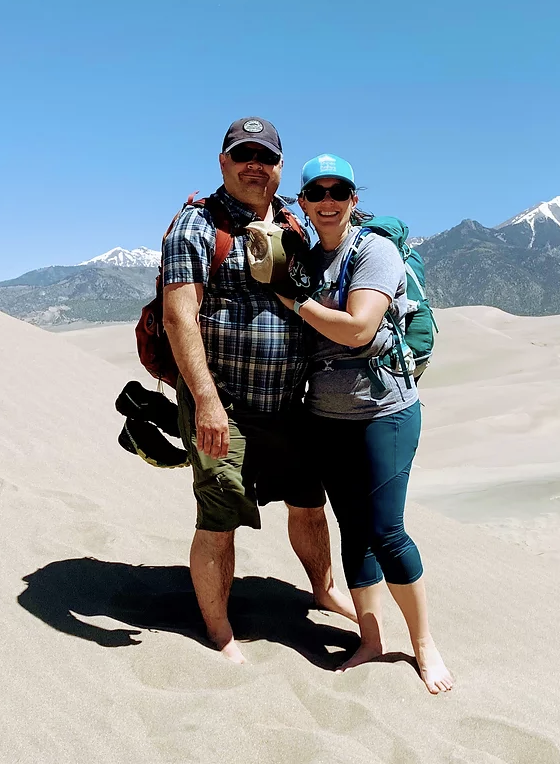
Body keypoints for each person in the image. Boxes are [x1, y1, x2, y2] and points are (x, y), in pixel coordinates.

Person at [161, 120, 355, 664]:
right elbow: (179, 318)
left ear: (280, 167)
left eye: (265, 157)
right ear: (223, 161)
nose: (255, 165)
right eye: (243, 154)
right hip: (223, 403)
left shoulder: (295, 222)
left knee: (309, 505)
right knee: (220, 517)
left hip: (292, 404)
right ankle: (220, 629)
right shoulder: (196, 225)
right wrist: (205, 402)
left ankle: (324, 589)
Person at [275, 154, 453, 694]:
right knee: (353, 532)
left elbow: (358, 328)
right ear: (303, 203)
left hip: (384, 413)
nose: (327, 201)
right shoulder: (306, 259)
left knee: (387, 531)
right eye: (317, 193)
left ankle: (424, 644)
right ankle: (371, 640)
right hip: (326, 418)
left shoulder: (374, 250)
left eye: (339, 192)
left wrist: (295, 301)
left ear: (354, 200)